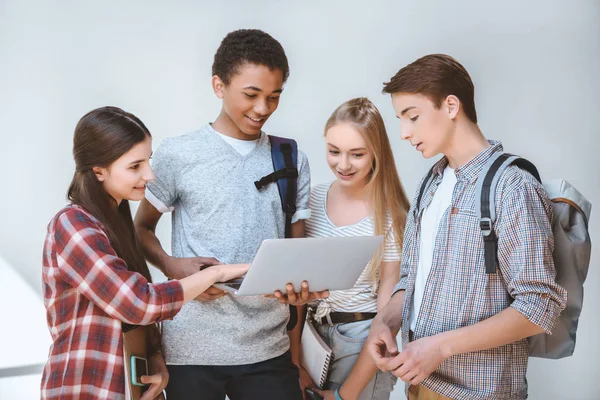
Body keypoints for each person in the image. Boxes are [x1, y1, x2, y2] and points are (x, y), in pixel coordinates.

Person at [134, 29, 325, 400]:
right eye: (251, 95)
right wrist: (172, 265)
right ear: (218, 86)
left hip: (268, 349)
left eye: (274, 97)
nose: (263, 109)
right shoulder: (178, 155)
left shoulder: (291, 159)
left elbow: (296, 254)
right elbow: (140, 229)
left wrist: (299, 291)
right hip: (191, 349)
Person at [365, 54, 567, 400]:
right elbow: (412, 277)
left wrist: (439, 348)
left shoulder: (512, 187)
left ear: (451, 106)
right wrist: (385, 322)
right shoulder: (431, 181)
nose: (403, 133)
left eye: (412, 117)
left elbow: (539, 306)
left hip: (480, 394)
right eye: (400, 120)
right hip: (419, 385)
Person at [41, 106, 248, 400]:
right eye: (135, 166)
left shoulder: (116, 221)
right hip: (85, 387)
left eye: (148, 161)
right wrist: (217, 273)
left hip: (127, 387)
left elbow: (135, 313)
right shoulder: (72, 225)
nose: (150, 175)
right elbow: (138, 302)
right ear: (99, 170)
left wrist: (155, 357)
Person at [300, 98, 410, 400]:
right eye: (334, 151)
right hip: (312, 337)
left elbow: (386, 317)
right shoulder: (311, 200)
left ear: (376, 153)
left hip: (361, 341)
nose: (343, 164)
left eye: (357, 154)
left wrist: (345, 394)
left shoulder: (391, 214)